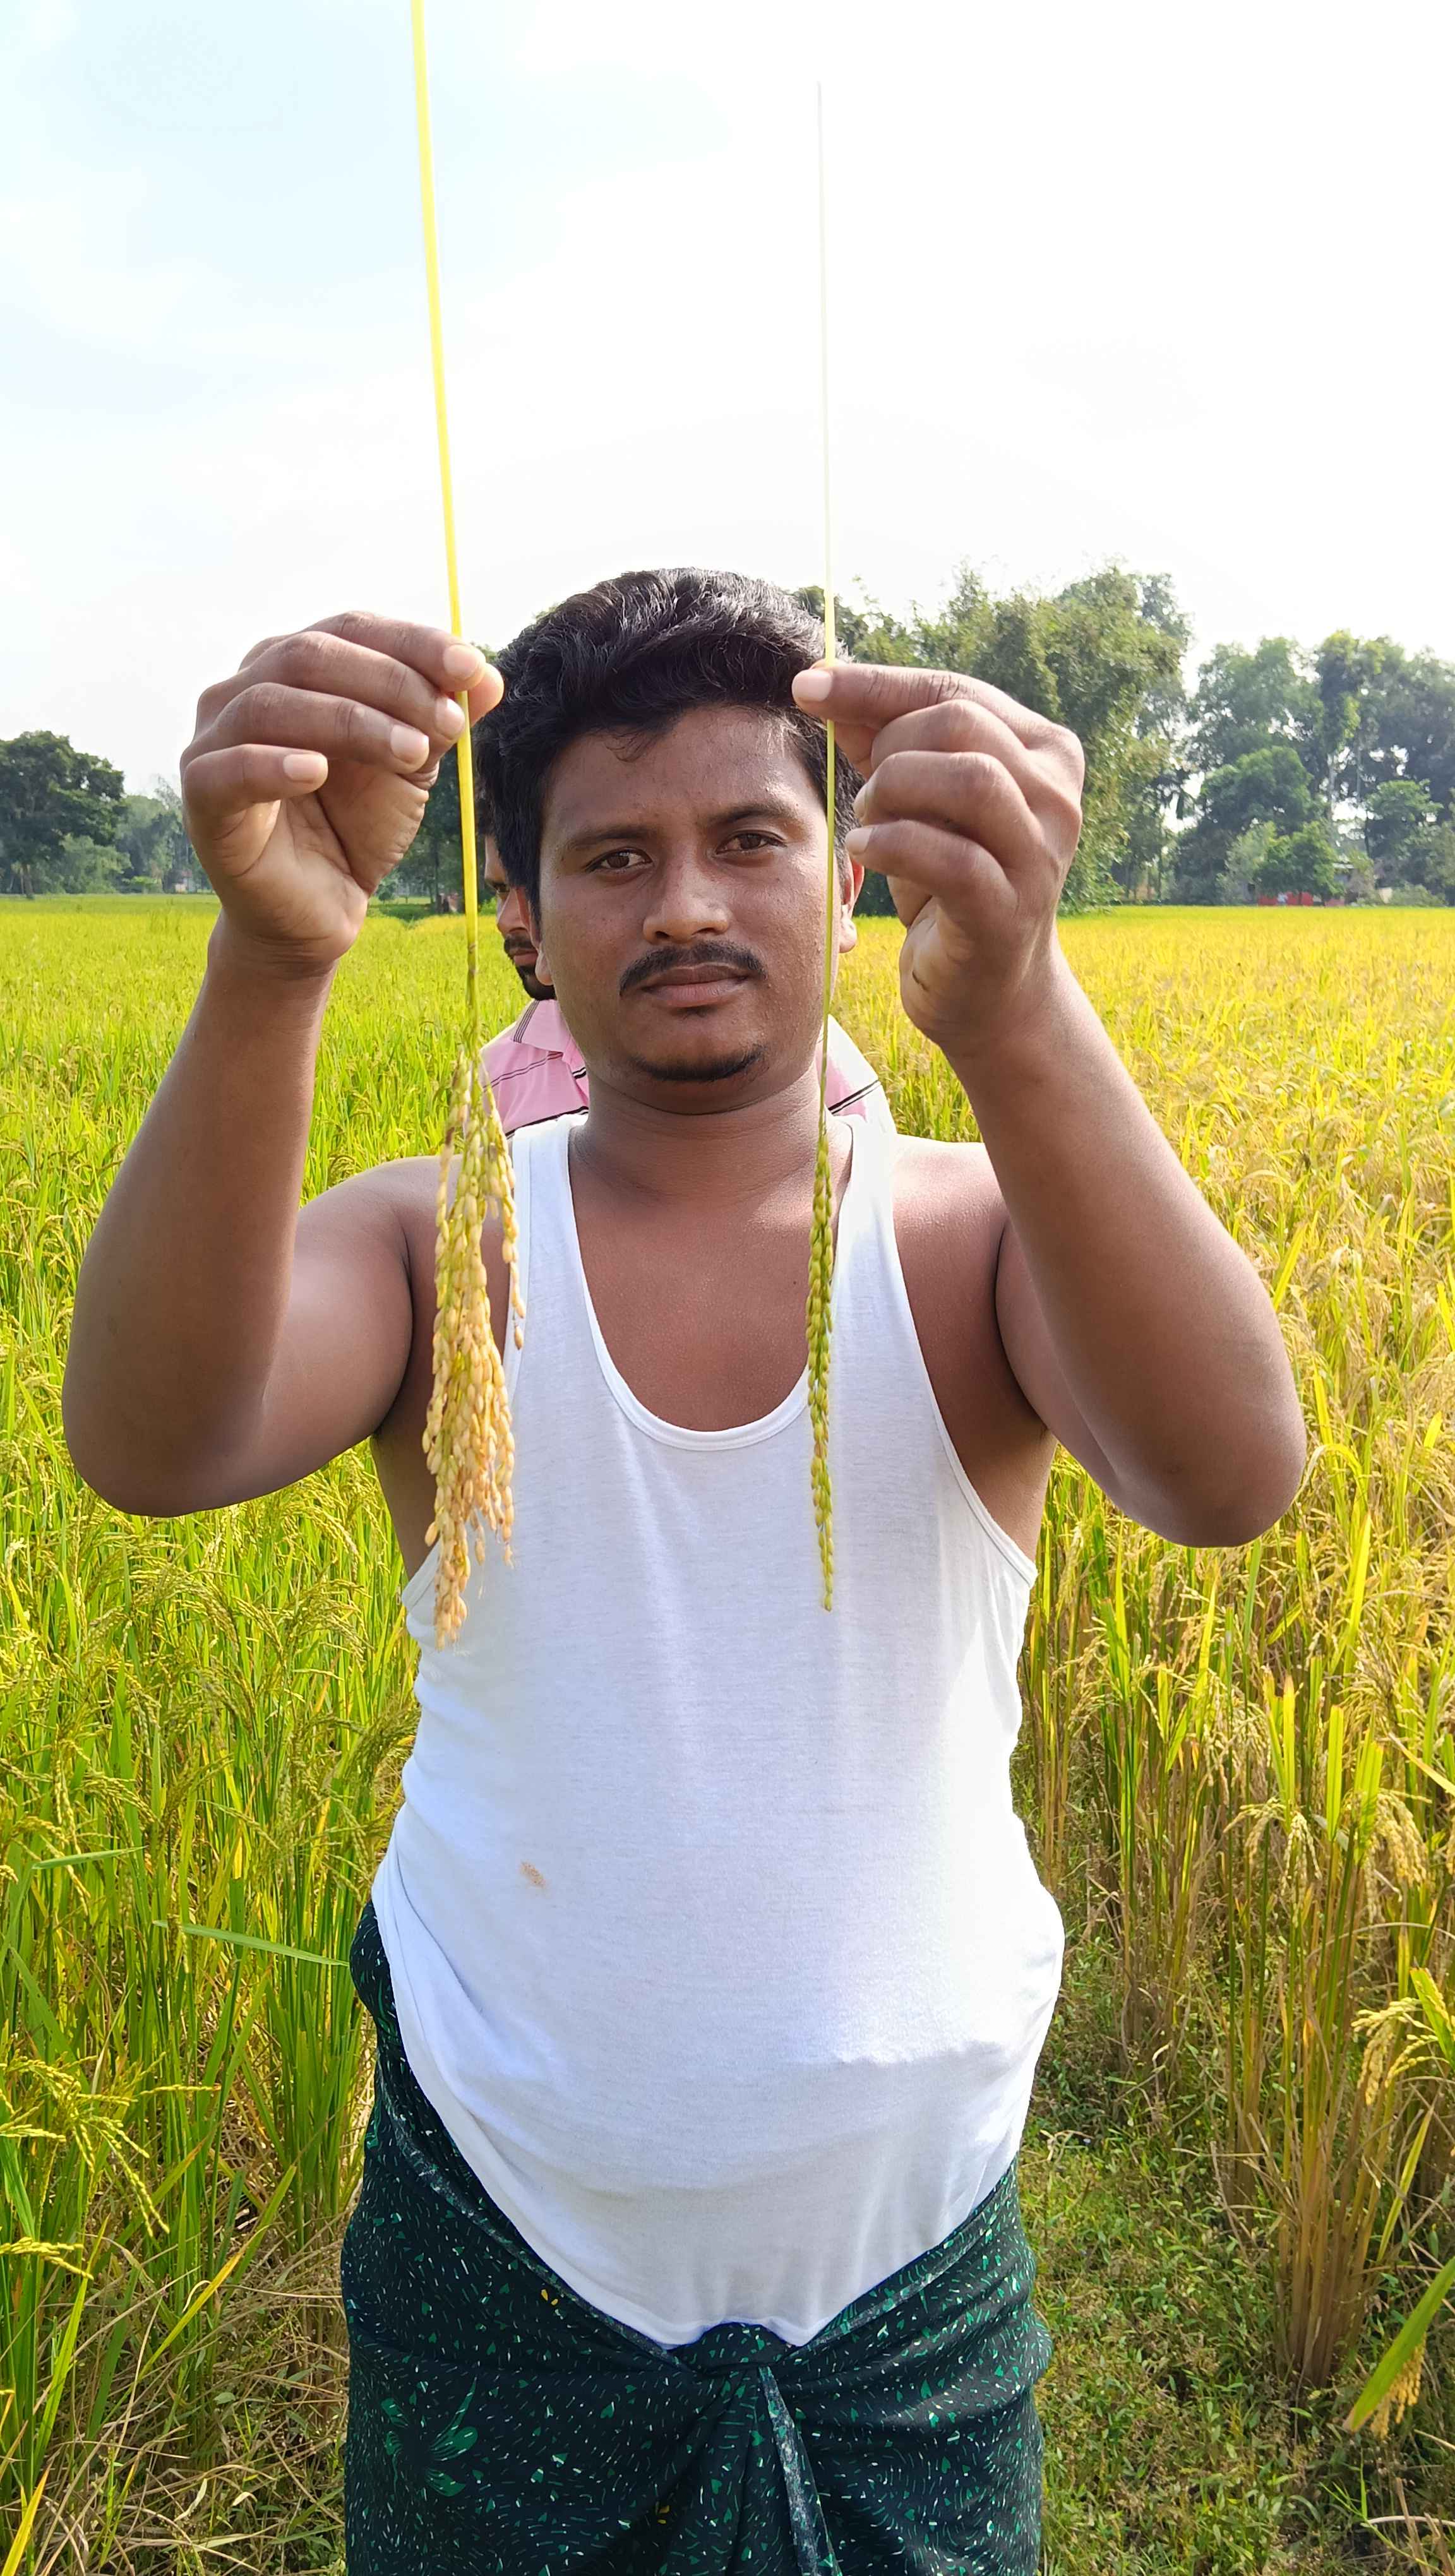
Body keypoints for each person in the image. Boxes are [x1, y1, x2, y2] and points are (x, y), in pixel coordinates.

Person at [63, 571, 1307, 2573]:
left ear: (850, 874)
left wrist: (1017, 1009)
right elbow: (155, 1440)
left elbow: (1231, 1473)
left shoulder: (974, 1240)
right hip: (509, 2231)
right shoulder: (439, 1251)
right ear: (521, 917)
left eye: (751, 838)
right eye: (614, 858)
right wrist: (269, 963)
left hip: (911, 2258)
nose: (689, 906)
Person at [481, 832, 893, 1135]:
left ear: (843, 892)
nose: (683, 916)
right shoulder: (495, 1076)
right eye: (618, 860)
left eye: (748, 843)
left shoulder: (820, 1065)